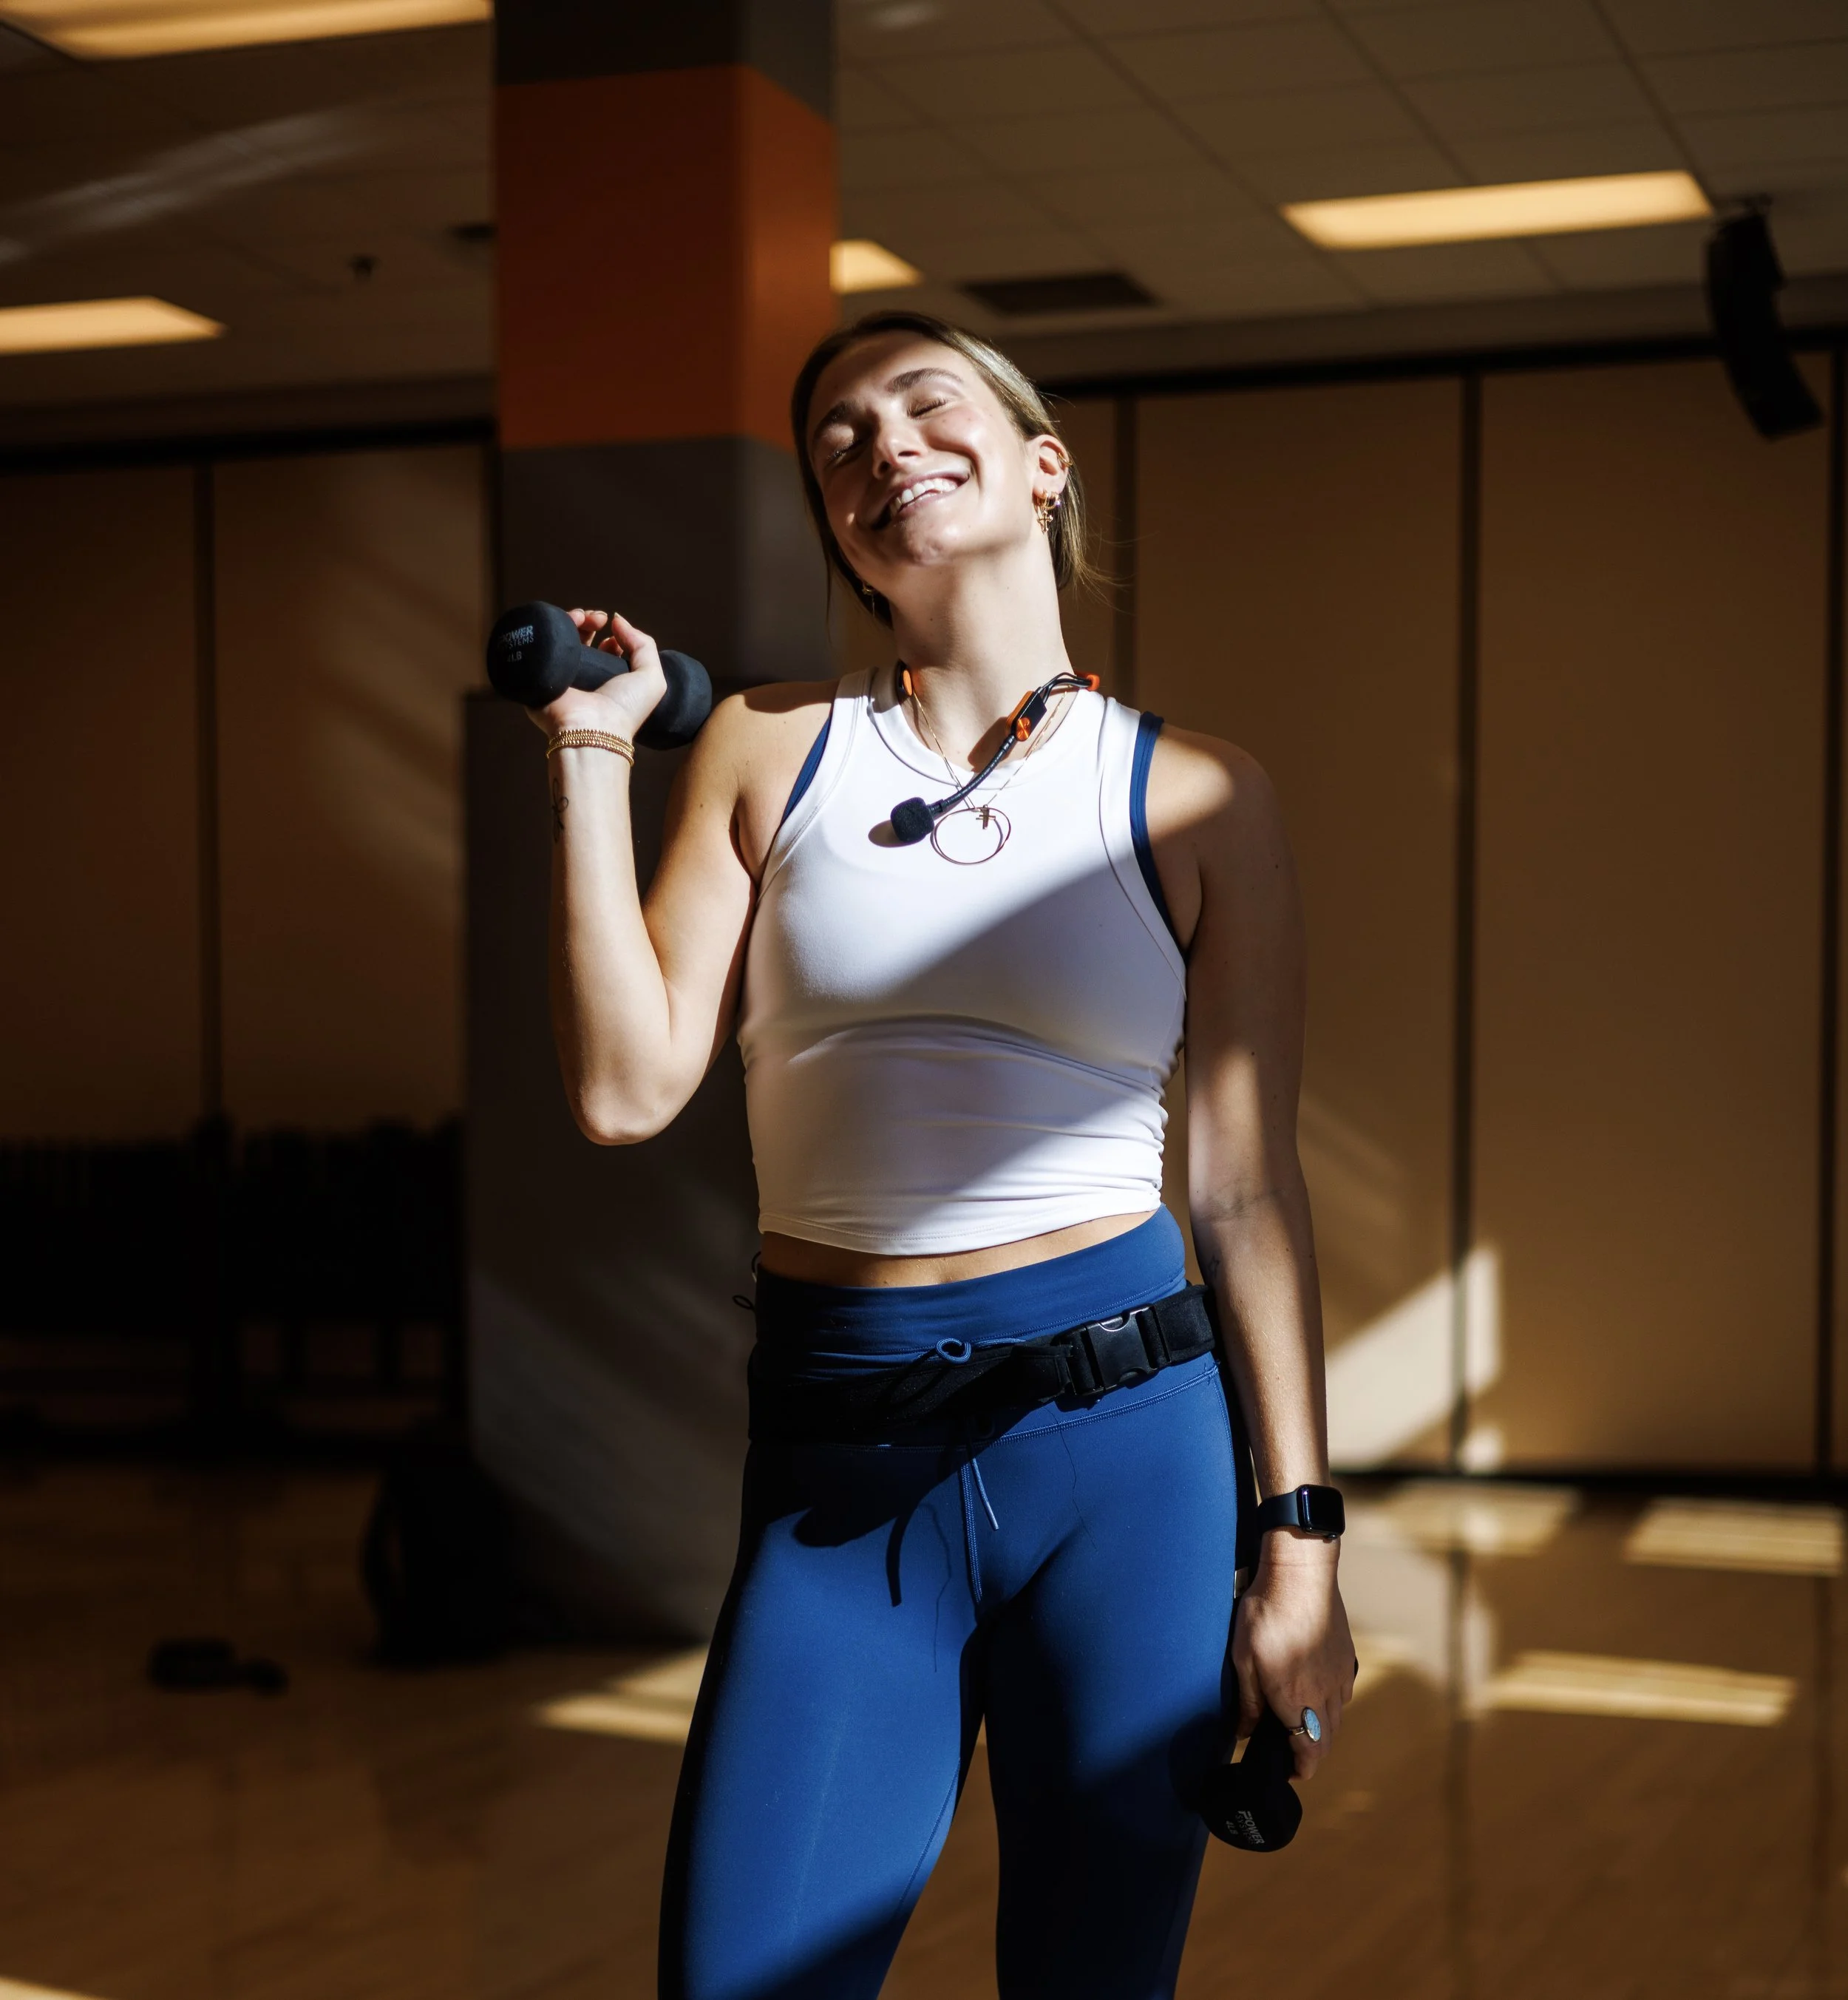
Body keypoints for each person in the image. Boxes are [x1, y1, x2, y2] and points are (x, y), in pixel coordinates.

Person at [535, 311, 1354, 2000]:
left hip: (1129, 1457)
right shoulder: (768, 746)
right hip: (839, 1463)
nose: (881, 443)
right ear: (838, 531)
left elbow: (1245, 1190)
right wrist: (590, 753)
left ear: (1042, 465)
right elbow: (622, 1089)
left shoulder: (1201, 795)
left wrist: (1299, 1547)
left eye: (923, 403)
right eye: (837, 437)